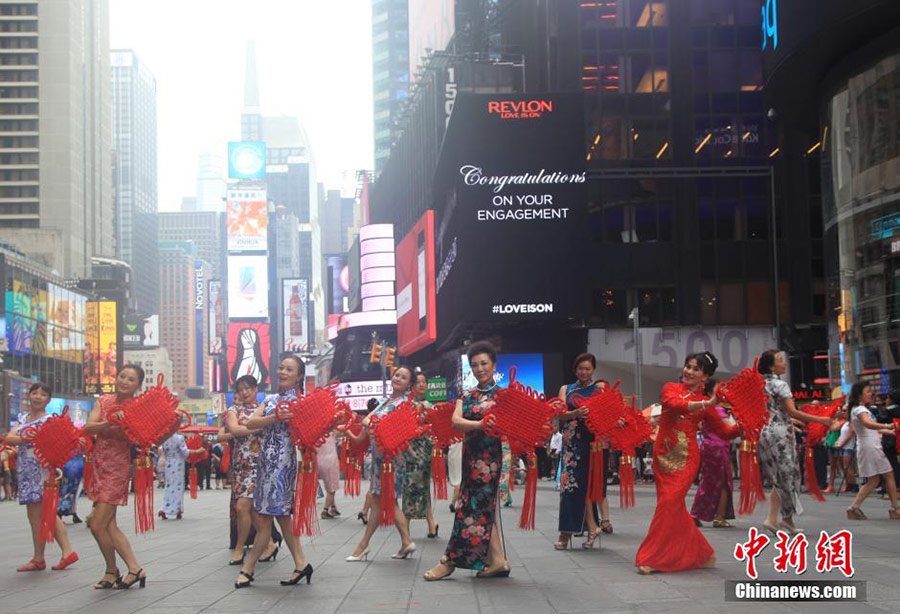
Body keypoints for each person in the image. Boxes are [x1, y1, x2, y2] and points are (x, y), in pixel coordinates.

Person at [635, 352, 740, 574]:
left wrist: (746, 424)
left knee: (669, 504)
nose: (688, 371)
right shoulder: (670, 388)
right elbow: (675, 405)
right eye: (687, 366)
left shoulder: (709, 406)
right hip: (662, 456)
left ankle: (652, 558)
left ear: (705, 376)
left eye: (695, 369)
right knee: (672, 506)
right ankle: (703, 553)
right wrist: (708, 401)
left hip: (687, 460)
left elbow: (725, 432)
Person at [424, 341, 511, 581]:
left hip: (490, 463)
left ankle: (450, 560)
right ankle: (498, 561)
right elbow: (455, 422)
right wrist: (481, 425)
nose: (479, 368)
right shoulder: (467, 395)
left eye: (484, 363)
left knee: (469, 510)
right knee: (484, 510)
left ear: (494, 365)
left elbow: (509, 426)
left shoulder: (504, 395)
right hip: (470, 459)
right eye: (475, 365)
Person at [234, 356, 313, 588]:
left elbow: (311, 433)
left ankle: (248, 569)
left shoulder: (302, 403)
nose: (283, 372)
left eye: (289, 369)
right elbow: (250, 423)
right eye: (281, 367)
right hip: (265, 464)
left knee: (266, 518)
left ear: (299, 376)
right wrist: (273, 417)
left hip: (283, 466)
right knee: (282, 517)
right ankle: (301, 564)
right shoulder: (270, 399)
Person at [84, 365, 154, 589]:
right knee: (109, 525)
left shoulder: (139, 408)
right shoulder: (104, 401)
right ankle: (134, 568)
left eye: (131, 379)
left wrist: (128, 421)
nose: (124, 381)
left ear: (138, 385)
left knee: (97, 524)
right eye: (122, 376)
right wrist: (110, 421)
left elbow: (143, 439)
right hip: (98, 465)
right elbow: (88, 428)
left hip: (117, 468)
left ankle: (111, 570)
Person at [3, 382, 78, 572]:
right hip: (25, 469)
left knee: (46, 512)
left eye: (43, 394)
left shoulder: (49, 420)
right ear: (29, 396)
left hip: (42, 469)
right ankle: (39, 557)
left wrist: (26, 438)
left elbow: (54, 443)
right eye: (34, 393)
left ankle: (65, 552)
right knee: (34, 515)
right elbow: (9, 438)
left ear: (48, 399)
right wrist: (30, 438)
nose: (37, 396)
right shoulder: (23, 417)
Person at [345, 366, 417, 562]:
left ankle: (363, 546)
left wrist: (370, 423)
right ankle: (404, 542)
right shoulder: (386, 402)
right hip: (379, 460)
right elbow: (363, 436)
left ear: (409, 384)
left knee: (386, 501)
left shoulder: (403, 405)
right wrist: (348, 431)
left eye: (404, 377)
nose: (398, 379)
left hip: (391, 461)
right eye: (397, 375)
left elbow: (383, 428)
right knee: (381, 502)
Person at [757, 350, 832, 534]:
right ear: (771, 366)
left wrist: (793, 421)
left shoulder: (759, 385)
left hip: (764, 432)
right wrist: (820, 420)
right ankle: (782, 518)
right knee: (789, 476)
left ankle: (777, 519)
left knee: (777, 477)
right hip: (781, 434)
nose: (784, 363)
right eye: (780, 360)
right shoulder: (780, 385)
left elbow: (774, 412)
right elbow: (793, 411)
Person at [223, 375, 278, 565]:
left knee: (242, 507)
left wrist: (257, 423)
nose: (244, 392)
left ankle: (240, 548)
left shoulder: (263, 410)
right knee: (252, 510)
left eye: (248, 388)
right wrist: (257, 427)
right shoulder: (233, 410)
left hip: (260, 465)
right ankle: (269, 544)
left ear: (256, 390)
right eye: (241, 389)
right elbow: (234, 430)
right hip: (241, 466)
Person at [555, 353, 608, 550]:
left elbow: (608, 414)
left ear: (593, 370)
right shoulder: (566, 389)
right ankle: (572, 530)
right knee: (568, 488)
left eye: (587, 369)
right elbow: (559, 414)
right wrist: (575, 413)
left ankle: (580, 530)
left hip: (591, 444)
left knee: (585, 489)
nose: (583, 372)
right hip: (571, 446)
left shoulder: (599, 390)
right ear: (575, 369)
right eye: (580, 368)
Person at [845, 381, 900, 520]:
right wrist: (888, 426)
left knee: (874, 480)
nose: (871, 394)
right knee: (888, 475)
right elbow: (868, 424)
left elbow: (869, 428)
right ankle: (895, 508)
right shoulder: (861, 410)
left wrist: (889, 431)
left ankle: (854, 507)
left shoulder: (858, 409)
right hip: (871, 447)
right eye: (868, 392)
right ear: (859, 395)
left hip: (868, 445)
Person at [690, 380, 737, 528]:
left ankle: (696, 515)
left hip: (709, 447)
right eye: (720, 388)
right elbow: (731, 429)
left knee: (708, 482)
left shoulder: (708, 408)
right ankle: (719, 517)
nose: (724, 390)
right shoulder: (718, 410)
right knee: (723, 483)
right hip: (718, 449)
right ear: (711, 392)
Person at [402, 369, 439, 538]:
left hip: (425, 450)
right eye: (418, 382)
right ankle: (408, 526)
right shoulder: (407, 406)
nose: (422, 385)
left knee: (423, 485)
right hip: (410, 450)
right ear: (412, 386)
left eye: (424, 382)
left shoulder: (432, 406)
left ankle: (431, 522)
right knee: (410, 486)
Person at [158, 431, 190, 520]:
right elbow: (185, 452)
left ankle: (164, 508)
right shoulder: (179, 438)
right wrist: (198, 451)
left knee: (168, 486)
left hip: (168, 463)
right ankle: (177, 510)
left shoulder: (164, 437)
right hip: (178, 464)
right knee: (178, 487)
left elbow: (161, 450)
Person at [824, 405, 847, 493]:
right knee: (832, 466)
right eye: (836, 411)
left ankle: (847, 483)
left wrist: (830, 426)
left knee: (843, 466)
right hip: (831, 444)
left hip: (839, 445)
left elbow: (835, 428)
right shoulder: (834, 420)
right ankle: (831, 485)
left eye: (839, 410)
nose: (837, 412)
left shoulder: (844, 422)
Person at [318, 433, 341, 519]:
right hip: (331, 461)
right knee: (332, 489)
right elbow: (343, 428)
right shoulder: (332, 432)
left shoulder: (317, 434)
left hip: (320, 462)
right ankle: (325, 510)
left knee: (328, 486)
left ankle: (333, 507)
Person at [57, 453, 85, 524]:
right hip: (68, 455)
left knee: (74, 486)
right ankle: (63, 510)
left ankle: (71, 510)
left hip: (76, 456)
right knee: (67, 486)